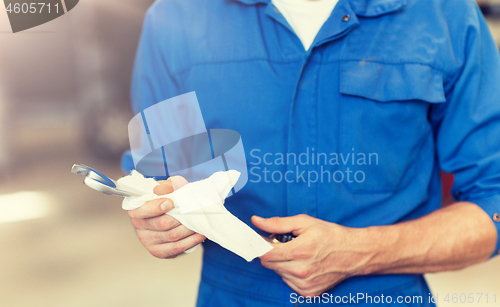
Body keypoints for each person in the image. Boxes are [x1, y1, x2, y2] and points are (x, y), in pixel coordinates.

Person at [121, 0, 500, 305]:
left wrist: (364, 251)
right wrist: (159, 220)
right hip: (233, 294)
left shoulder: (445, 16)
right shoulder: (175, 18)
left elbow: (493, 203)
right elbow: (160, 177)